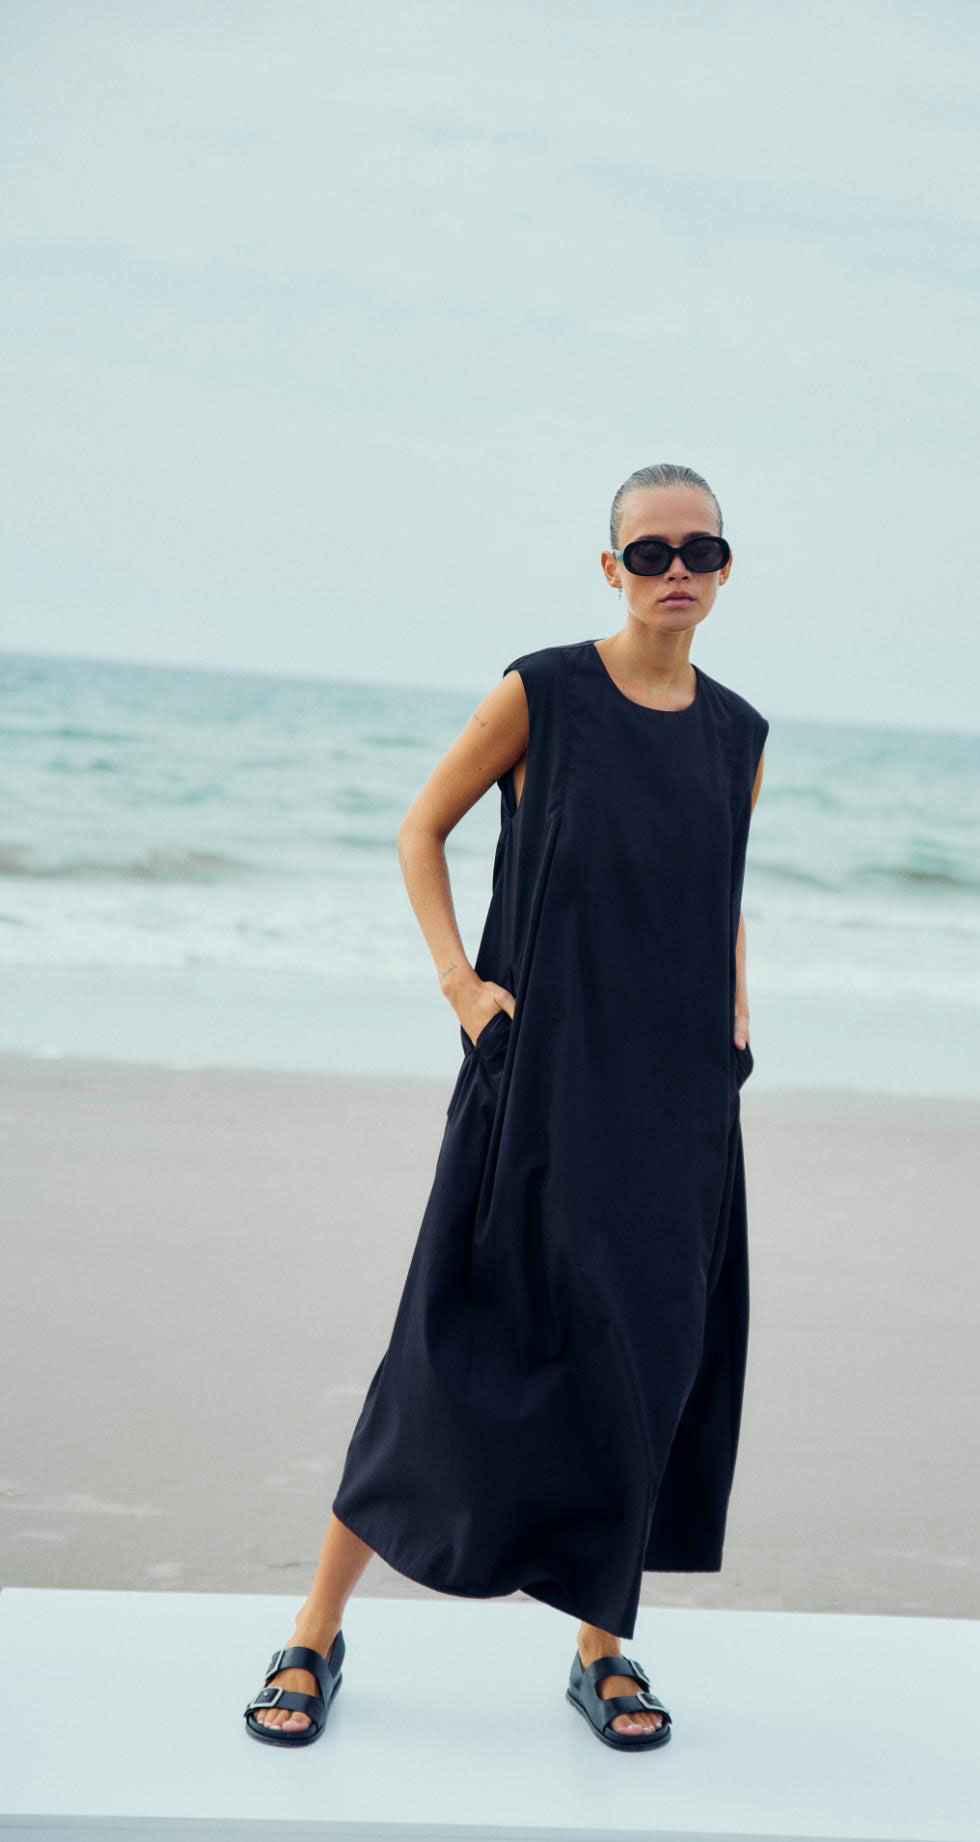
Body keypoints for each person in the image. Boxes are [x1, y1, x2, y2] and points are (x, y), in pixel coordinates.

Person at [242, 462, 769, 1753]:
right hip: (533, 1076)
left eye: (699, 549)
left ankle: (602, 1648)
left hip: (675, 1100)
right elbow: (419, 830)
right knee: (450, 1341)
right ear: (611, 568)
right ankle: (313, 1629)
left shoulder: (739, 734)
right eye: (649, 551)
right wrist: (461, 987)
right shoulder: (543, 692)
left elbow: (721, 894)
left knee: (642, 1361)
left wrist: (739, 1014)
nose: (676, 570)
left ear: (726, 565)